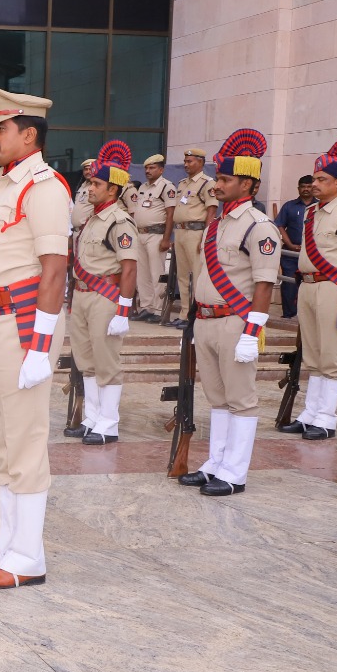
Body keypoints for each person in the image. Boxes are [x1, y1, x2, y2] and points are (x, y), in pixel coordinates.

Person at [0, 89, 70, 591]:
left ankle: (28, 556)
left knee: (25, 441)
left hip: (23, 321)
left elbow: (54, 269)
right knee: (4, 441)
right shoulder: (3, 185)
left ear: (29, 135)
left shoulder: (44, 187)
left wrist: (41, 347)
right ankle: (6, 545)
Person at [176, 131, 279, 498]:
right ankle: (215, 464)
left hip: (236, 320)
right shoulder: (216, 223)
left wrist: (254, 332)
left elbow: (265, 284)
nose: (217, 185)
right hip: (206, 320)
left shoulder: (258, 226)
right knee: (217, 398)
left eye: (224, 180)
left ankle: (235, 472)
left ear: (247, 184)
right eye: (218, 179)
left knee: (241, 398)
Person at [277, 142, 337, 440]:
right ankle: (309, 414)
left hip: (332, 286)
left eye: (321, 180)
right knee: (313, 354)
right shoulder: (313, 212)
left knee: (330, 354)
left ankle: (326, 418)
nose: (314, 184)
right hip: (309, 285)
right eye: (314, 179)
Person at [66, 142, 138, 445]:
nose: (90, 188)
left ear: (113, 190)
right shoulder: (91, 219)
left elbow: (130, 267)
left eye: (96, 184)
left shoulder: (120, 222)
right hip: (83, 295)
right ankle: (92, 418)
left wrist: (123, 310)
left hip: (104, 297)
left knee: (106, 362)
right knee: (86, 361)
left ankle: (109, 422)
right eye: (90, 183)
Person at [168, 147, 218, 328]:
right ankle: (184, 313)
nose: (186, 164)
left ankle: (195, 315)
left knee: (196, 275)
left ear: (200, 162)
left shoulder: (207, 183)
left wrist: (206, 236)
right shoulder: (182, 183)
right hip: (180, 232)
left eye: (190, 161)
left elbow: (211, 210)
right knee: (182, 275)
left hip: (196, 233)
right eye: (185, 161)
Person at [123, 154, 176, 322]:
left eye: (152, 167)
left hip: (156, 234)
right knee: (142, 274)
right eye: (146, 168)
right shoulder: (143, 187)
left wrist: (166, 238)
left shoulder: (167, 187)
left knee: (157, 273)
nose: (148, 171)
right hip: (140, 233)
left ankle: (159, 309)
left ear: (161, 169)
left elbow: (170, 214)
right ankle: (146, 307)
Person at [273, 175, 316, 319]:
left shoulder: (320, 206)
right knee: (289, 284)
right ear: (298, 188)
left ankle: (307, 316)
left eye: (309, 186)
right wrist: (290, 244)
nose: (306, 189)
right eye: (303, 186)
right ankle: (289, 314)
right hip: (290, 254)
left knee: (311, 283)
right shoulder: (289, 206)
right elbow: (279, 225)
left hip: (313, 253)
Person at [70, 158, 96, 229]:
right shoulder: (82, 186)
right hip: (76, 231)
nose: (88, 172)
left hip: (88, 230)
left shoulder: (97, 187)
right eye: (85, 169)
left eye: (90, 169)